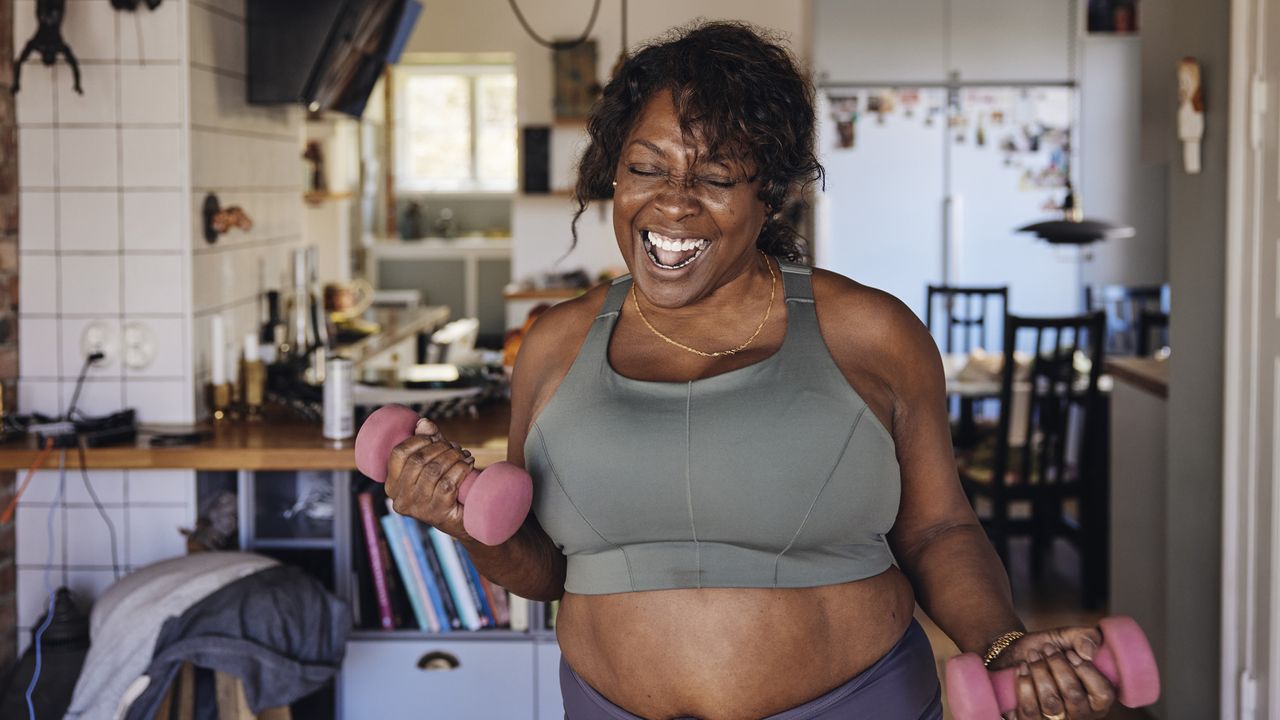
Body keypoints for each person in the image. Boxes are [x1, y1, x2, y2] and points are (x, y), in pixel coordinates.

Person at [384, 21, 1117, 720]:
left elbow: (938, 530)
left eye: (716, 177)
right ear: (614, 172)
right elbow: (549, 571)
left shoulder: (871, 333)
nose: (672, 203)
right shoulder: (553, 345)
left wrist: (1003, 645)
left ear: (769, 190)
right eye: (646, 168)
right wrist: (463, 521)